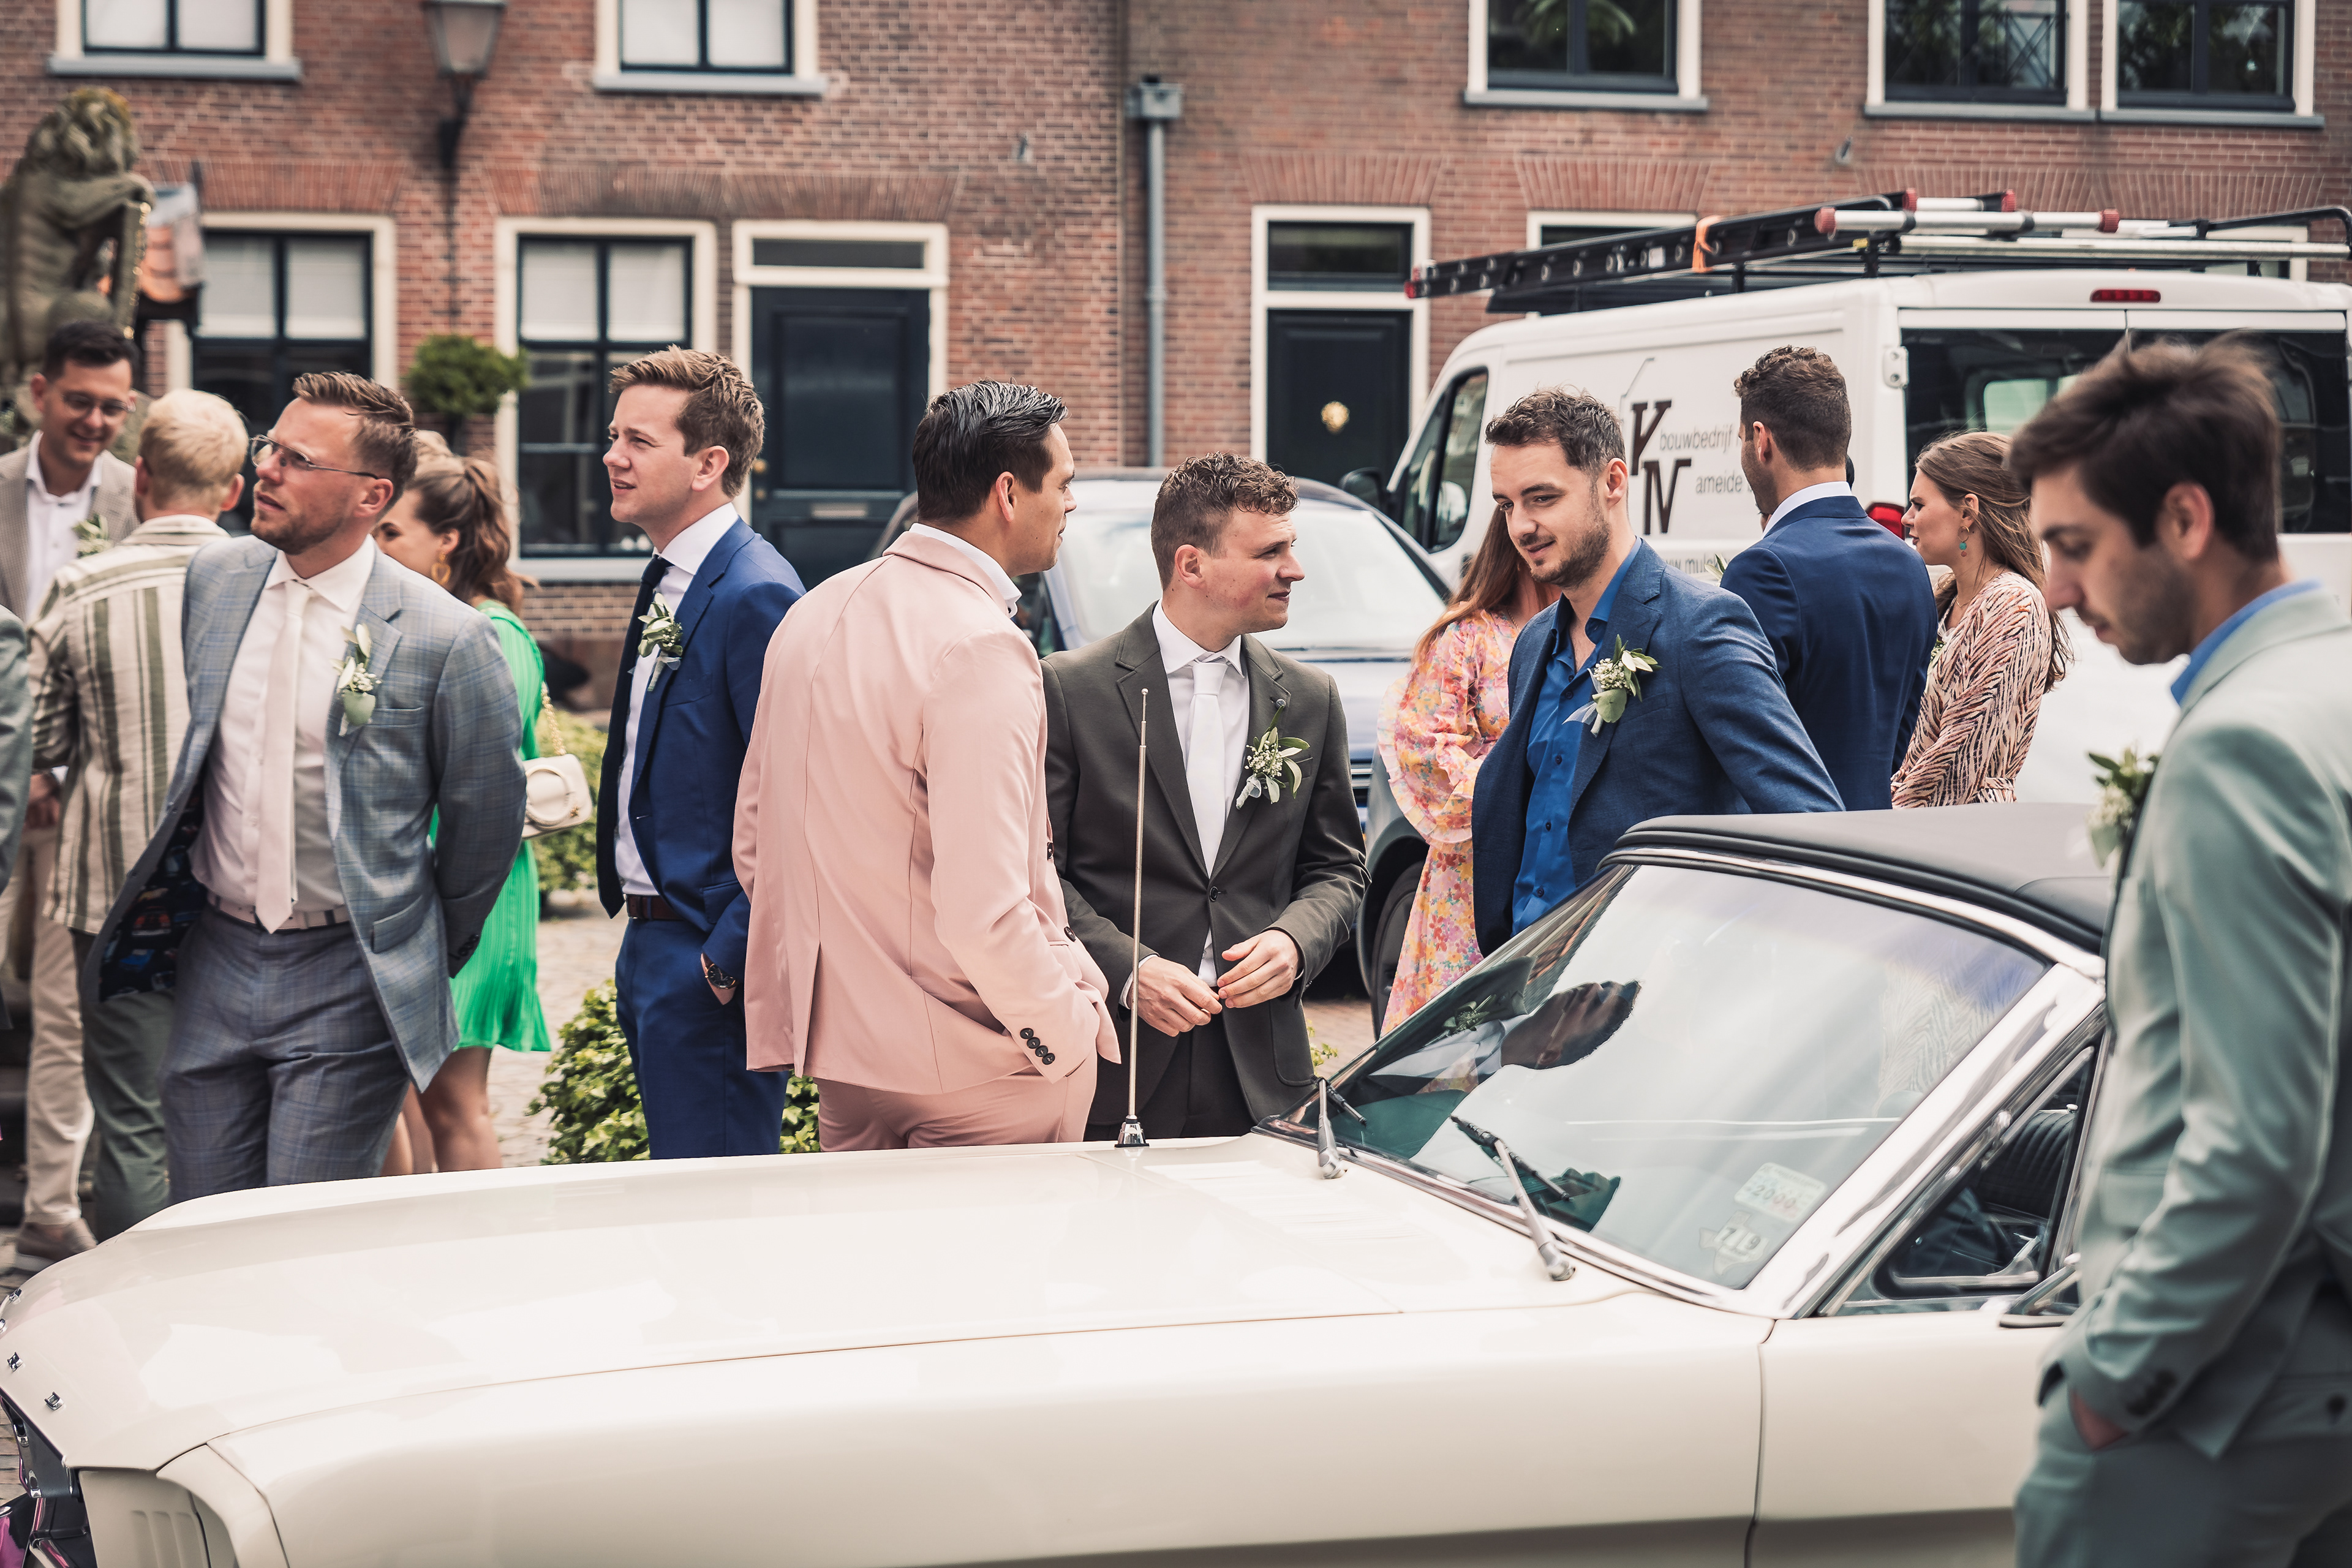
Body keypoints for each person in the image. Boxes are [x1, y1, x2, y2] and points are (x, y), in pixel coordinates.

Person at [2008, 341, 2352, 1561]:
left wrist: (2117, 1377)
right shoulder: (2331, 685)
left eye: (2074, 544)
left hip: (2220, 1392)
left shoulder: (2240, 747)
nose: (2056, 588)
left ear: (2187, 519)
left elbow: (2256, 1133)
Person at [83, 372, 526, 1196]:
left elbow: (486, 824)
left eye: (298, 460)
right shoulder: (217, 581)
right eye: (270, 448)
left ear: (371, 496)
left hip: (348, 969)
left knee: (299, 1222)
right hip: (216, 955)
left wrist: (407, 946)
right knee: (203, 1218)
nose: (266, 470)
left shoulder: (448, 638)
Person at [734, 382, 1115, 1149]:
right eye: (1064, 483)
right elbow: (986, 908)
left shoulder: (811, 613)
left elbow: (755, 845)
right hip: (985, 1066)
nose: (1071, 503)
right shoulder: (982, 644)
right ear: (1009, 493)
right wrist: (1063, 1031)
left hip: (844, 1063)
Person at [1044, 454, 1365, 1140]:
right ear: (1191, 565)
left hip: (1261, 1070)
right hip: (1118, 1057)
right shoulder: (1070, 689)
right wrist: (1128, 969)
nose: (1294, 570)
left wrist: (1296, 941)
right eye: (1270, 552)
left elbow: (1338, 870)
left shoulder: (1310, 699)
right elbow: (1038, 874)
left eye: (1291, 548)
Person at [1469, 387, 1842, 957]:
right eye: (1506, 505)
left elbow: (1811, 824)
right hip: (1525, 975)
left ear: (1613, 482)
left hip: (1648, 988)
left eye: (1542, 498)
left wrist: (1696, 954)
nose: (1521, 526)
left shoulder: (1700, 625)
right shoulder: (1534, 643)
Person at [28, 389, 239, 1240]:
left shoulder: (82, 586)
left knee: (131, 1121)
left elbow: (39, 737)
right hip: (243, 897)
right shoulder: (272, 585)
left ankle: (133, 1296)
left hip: (113, 900)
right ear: (234, 489)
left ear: (140, 475)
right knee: (233, 1110)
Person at [595, 349, 803, 1159]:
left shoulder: (755, 592)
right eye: (614, 437)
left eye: (638, 442)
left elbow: (798, 792)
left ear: (708, 464)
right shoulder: (673, 576)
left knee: (717, 1205)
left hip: (704, 953)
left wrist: (727, 954)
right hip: (650, 939)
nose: (612, 457)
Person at [0, 321, 138, 1270]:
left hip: (83, 800)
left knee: (62, 1006)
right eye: (80, 401)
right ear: (40, 392)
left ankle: (54, 1206)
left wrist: (53, 767)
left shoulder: (134, 496)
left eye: (112, 408)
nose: (94, 421)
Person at [372, 456, 549, 1173]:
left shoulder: (493, 634)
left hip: (477, 895)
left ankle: (485, 1237)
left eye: (392, 532)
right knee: (411, 1095)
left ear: (445, 540)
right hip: (432, 891)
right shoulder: (440, 623)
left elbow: (482, 788)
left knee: (454, 1101)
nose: (376, 546)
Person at [1719, 345, 1938, 812]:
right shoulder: (1909, 566)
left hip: (1790, 844)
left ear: (1761, 441)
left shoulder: (1763, 569)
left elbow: (1738, 743)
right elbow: (1900, 736)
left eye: (1740, 440)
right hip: (1873, 832)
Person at [1376, 504, 1556, 1028]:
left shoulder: (1582, 631)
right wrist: (1521, 787)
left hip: (1558, 856)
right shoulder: (1467, 637)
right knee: (1467, 1031)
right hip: (1475, 866)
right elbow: (1425, 749)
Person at [1890, 431, 2070, 807]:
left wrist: (1882, 816)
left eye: (1919, 505)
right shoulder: (1945, 597)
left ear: (1967, 513)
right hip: (1921, 823)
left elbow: (1958, 760)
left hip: (1962, 825)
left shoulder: (2013, 604)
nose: (1907, 518)